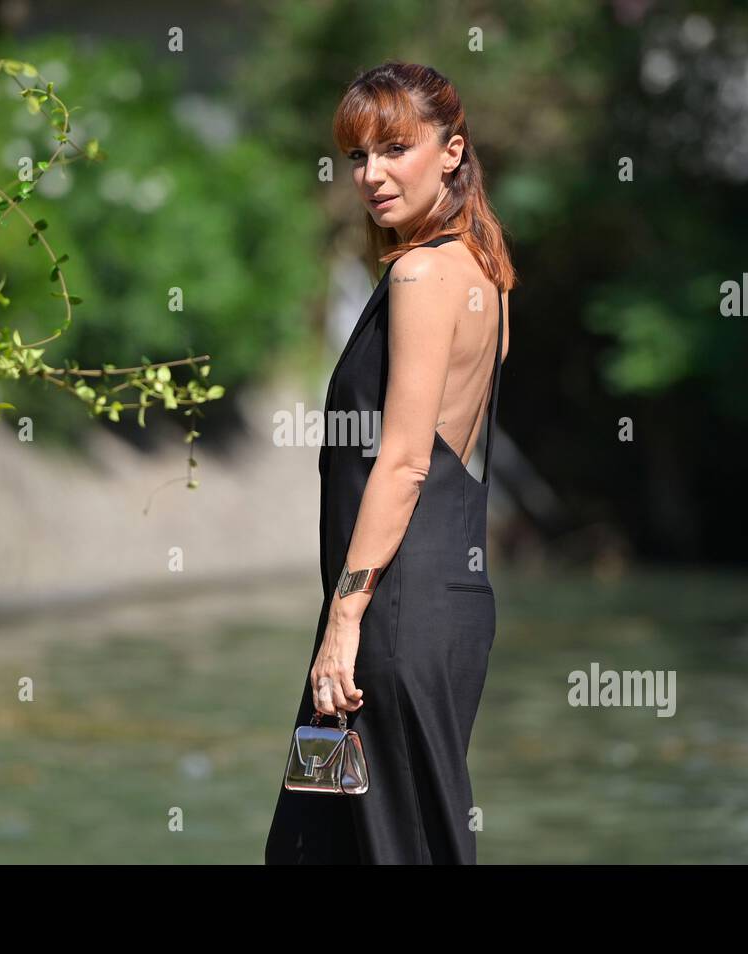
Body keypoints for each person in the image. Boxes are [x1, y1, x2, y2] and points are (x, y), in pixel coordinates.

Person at [264, 62, 517, 864]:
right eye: (357, 157)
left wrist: (344, 620)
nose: (370, 175)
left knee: (389, 849)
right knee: (321, 846)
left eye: (394, 149)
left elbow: (405, 462)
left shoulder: (421, 273)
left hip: (387, 614)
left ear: (451, 151)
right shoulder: (482, 271)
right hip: (434, 603)